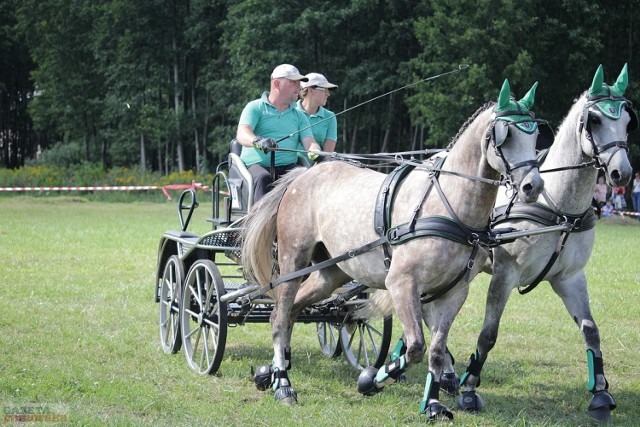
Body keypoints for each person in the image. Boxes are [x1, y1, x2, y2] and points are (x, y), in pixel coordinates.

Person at [236, 64, 321, 202]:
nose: (299, 87)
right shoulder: (255, 107)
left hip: (288, 168)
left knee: (303, 177)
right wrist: (258, 141)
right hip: (256, 167)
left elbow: (309, 142)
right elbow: (242, 133)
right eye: (293, 82)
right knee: (263, 178)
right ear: (277, 83)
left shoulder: (300, 116)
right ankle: (260, 223)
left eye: (299, 83)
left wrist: (315, 151)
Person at [296, 73, 338, 158]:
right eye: (325, 90)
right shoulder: (291, 112)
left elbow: (328, 153)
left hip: (318, 167)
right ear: (311, 90)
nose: (328, 94)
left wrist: (318, 167)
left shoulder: (330, 116)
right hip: (290, 167)